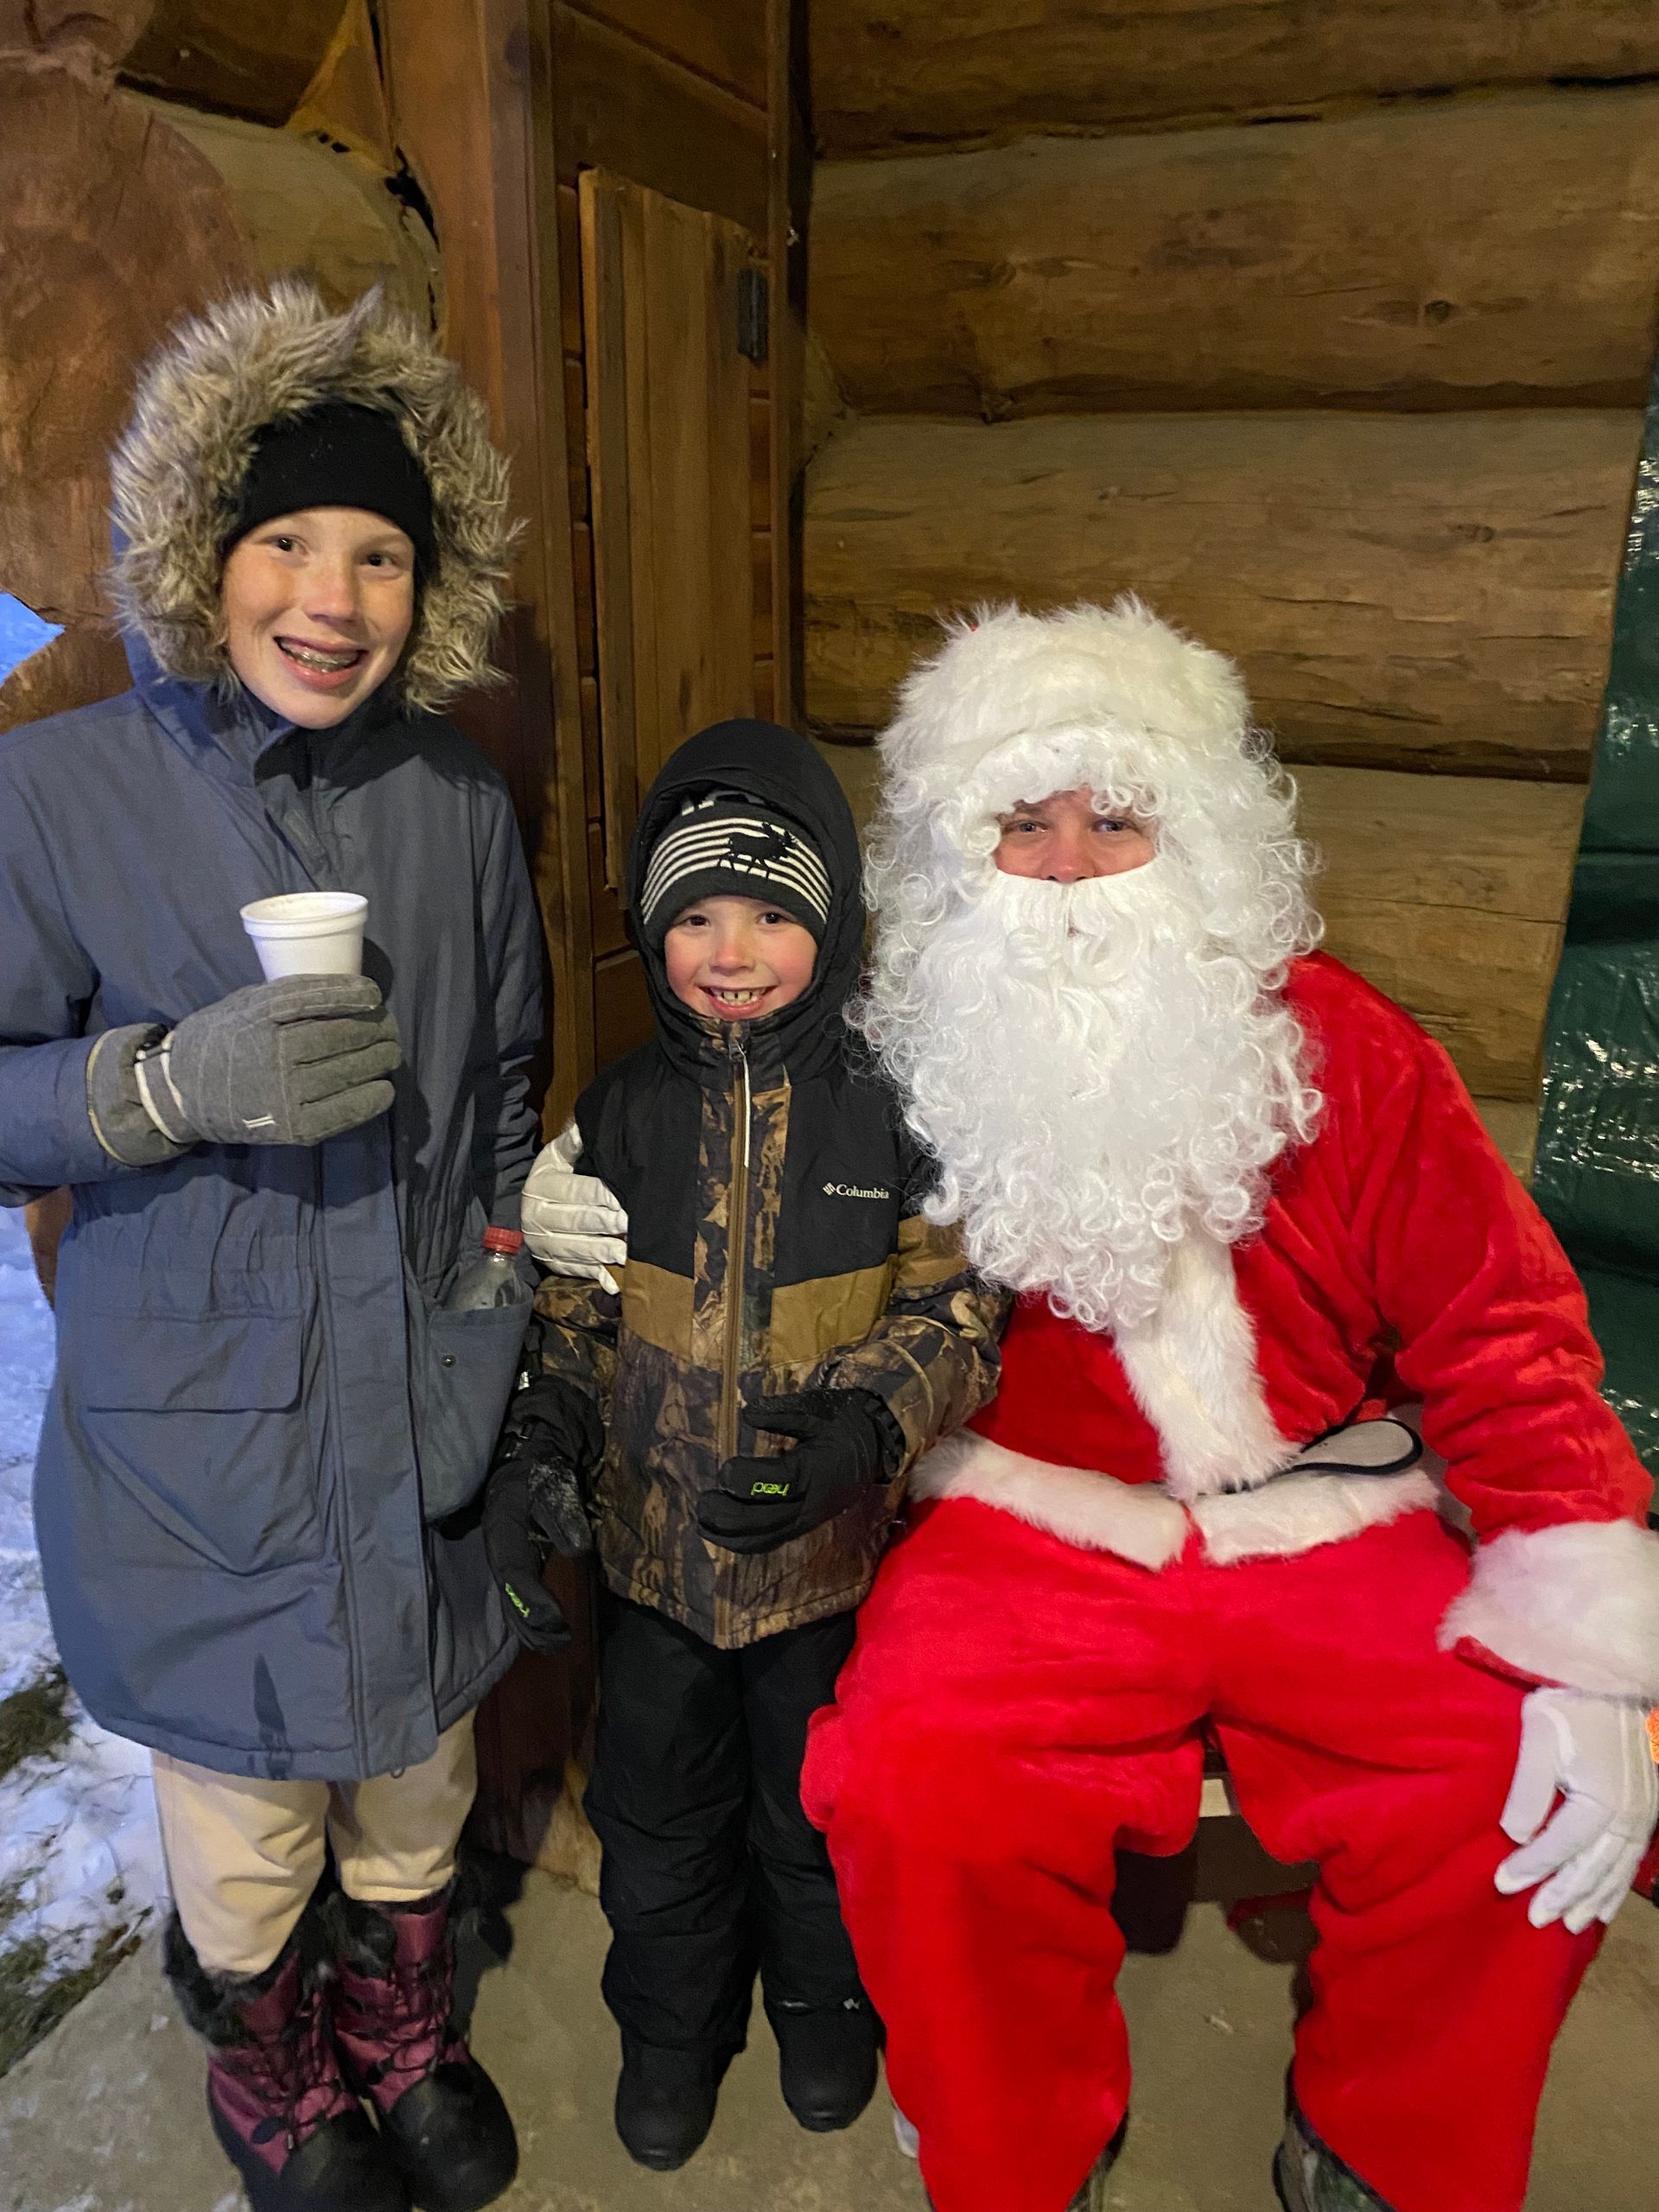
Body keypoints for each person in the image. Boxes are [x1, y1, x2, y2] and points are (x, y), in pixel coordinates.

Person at [782, 599, 1659, 2212]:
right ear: (956, 855)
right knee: (918, 1781)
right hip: (1024, 1522)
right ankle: (1017, 2159)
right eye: (1023, 824)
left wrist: (1590, 1628)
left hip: (1327, 1510)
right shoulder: (900, 1058)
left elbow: (1502, 1322)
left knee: (1504, 1764)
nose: (1068, 870)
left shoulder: (1348, 1047)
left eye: (1117, 819)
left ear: (1198, 837)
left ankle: (1382, 2151)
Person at [0, 282, 539, 2212]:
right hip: (199, 1434)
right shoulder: (60, 793)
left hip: (421, 1402)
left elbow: (503, 1077)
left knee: (416, 1785)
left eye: (379, 552)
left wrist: (493, 1283)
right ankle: (276, 2074)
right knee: (245, 1824)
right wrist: (158, 1085)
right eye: (288, 541)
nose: (332, 596)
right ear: (201, 555)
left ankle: (401, 2027)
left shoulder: (455, 800)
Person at [484, 718, 1004, 2171]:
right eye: (695, 915)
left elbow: (960, 1310)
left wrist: (862, 1426)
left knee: (817, 1811)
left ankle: (823, 2003)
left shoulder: (889, 1117)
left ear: (826, 927)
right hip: (656, 1575)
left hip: (825, 1570)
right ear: (653, 932)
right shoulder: (621, 1114)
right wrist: (542, 1443)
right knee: (657, 1818)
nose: (731, 951)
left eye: (770, 914)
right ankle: (672, 2025)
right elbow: (576, 1314)